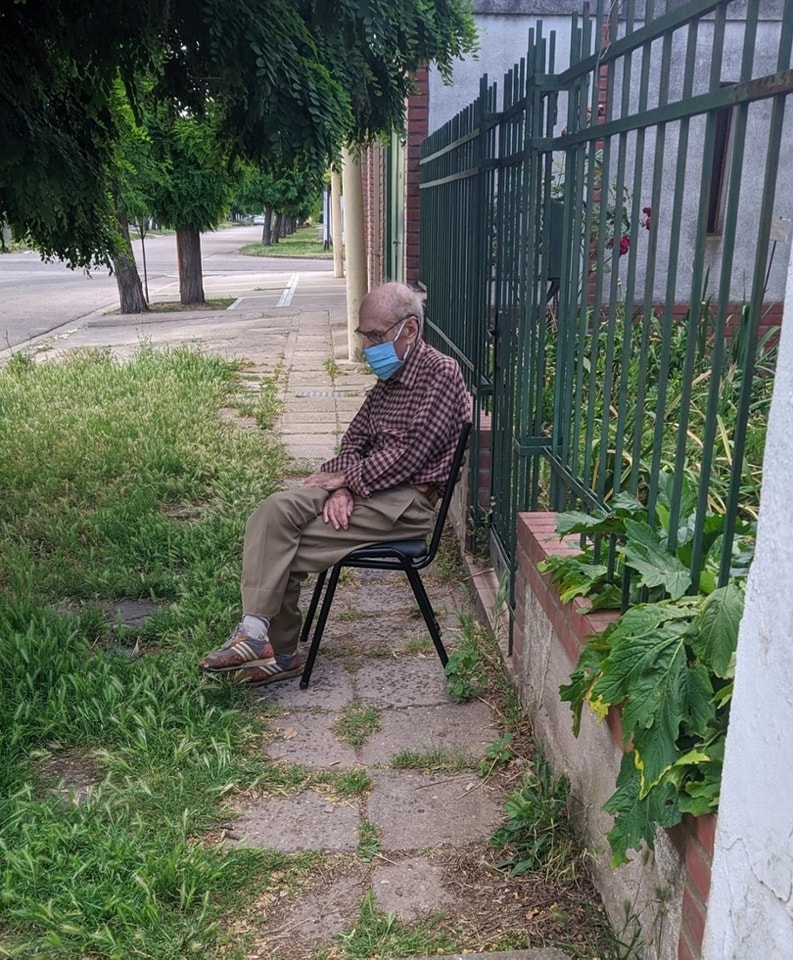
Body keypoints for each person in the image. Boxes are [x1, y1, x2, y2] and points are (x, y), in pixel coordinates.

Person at [199, 281, 469, 686]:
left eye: (376, 336)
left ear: (409, 330)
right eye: (365, 336)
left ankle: (277, 648)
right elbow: (354, 440)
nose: (366, 347)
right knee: (273, 512)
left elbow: (410, 456)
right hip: (369, 489)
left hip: (405, 503)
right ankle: (257, 636)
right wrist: (342, 488)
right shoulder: (389, 382)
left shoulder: (441, 375)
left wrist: (347, 479)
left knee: (278, 548)